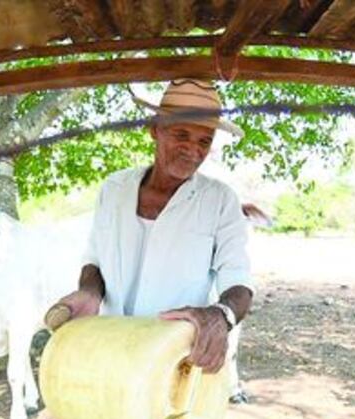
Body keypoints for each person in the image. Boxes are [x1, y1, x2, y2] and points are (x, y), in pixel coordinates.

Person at [50, 79, 253, 373]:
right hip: (110, 349)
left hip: (174, 360)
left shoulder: (220, 201)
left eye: (204, 140)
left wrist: (220, 316)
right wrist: (90, 292)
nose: (192, 150)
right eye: (181, 134)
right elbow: (94, 259)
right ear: (154, 129)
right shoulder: (114, 188)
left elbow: (239, 282)